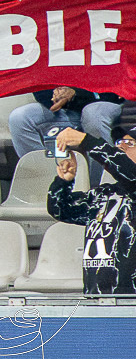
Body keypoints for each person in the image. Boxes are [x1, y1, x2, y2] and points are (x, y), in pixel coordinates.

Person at [48, 125, 136, 295]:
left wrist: (87, 141)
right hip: (96, 296)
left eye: (130, 143)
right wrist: (64, 182)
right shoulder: (103, 193)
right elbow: (60, 210)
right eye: (119, 142)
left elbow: (130, 175)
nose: (120, 146)